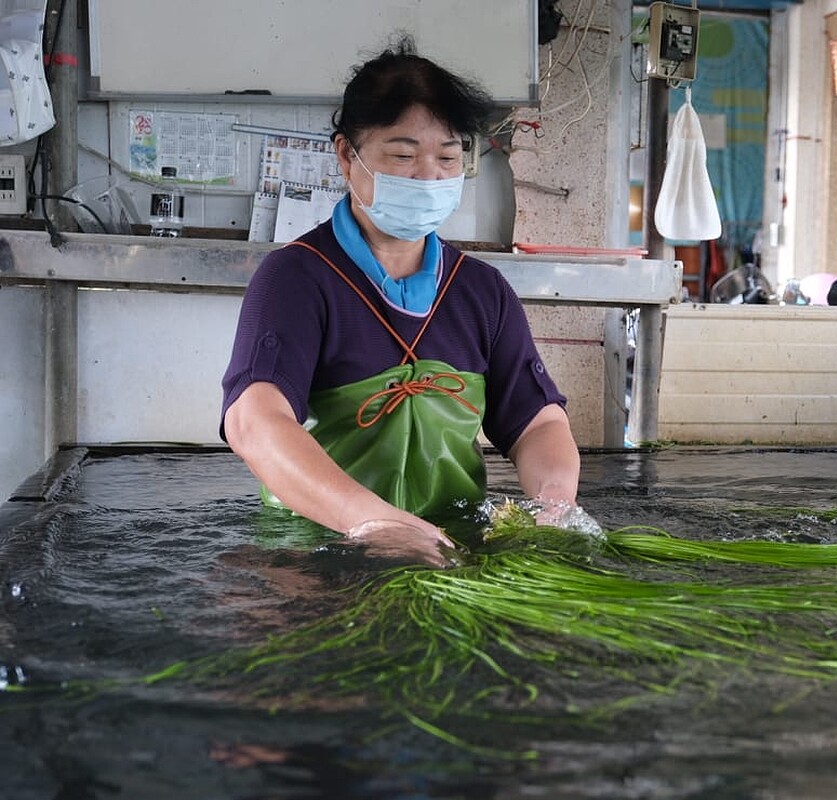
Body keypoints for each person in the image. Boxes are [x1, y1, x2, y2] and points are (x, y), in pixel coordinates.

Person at [220, 39, 584, 568]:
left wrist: (552, 502)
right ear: (347, 155)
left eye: (448, 156)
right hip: (318, 547)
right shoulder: (296, 279)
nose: (429, 176)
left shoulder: (480, 290)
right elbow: (254, 423)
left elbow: (538, 423)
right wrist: (372, 522)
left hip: (450, 547)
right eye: (403, 155)